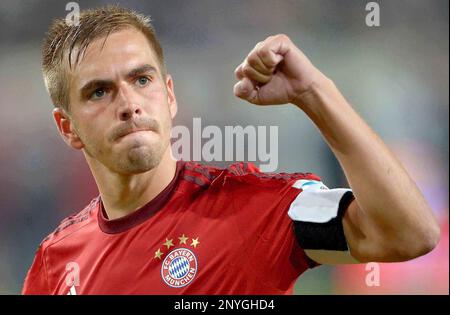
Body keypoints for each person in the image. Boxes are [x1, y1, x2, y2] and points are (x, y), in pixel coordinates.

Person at [22, 5, 440, 295]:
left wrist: (315, 93)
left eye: (142, 79)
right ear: (67, 128)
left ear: (169, 97)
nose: (129, 103)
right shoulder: (56, 262)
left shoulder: (255, 207)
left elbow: (409, 235)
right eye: (99, 91)